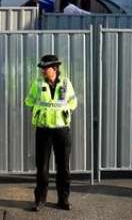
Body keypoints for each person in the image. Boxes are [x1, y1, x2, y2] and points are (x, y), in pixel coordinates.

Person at [24, 54, 78, 212]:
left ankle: (64, 200)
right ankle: (40, 200)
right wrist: (40, 111)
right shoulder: (37, 84)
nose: (42, 71)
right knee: (42, 167)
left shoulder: (66, 83)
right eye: (41, 69)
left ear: (54, 69)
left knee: (63, 167)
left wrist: (65, 110)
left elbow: (73, 102)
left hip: (62, 130)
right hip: (43, 130)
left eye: (45, 69)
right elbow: (29, 101)